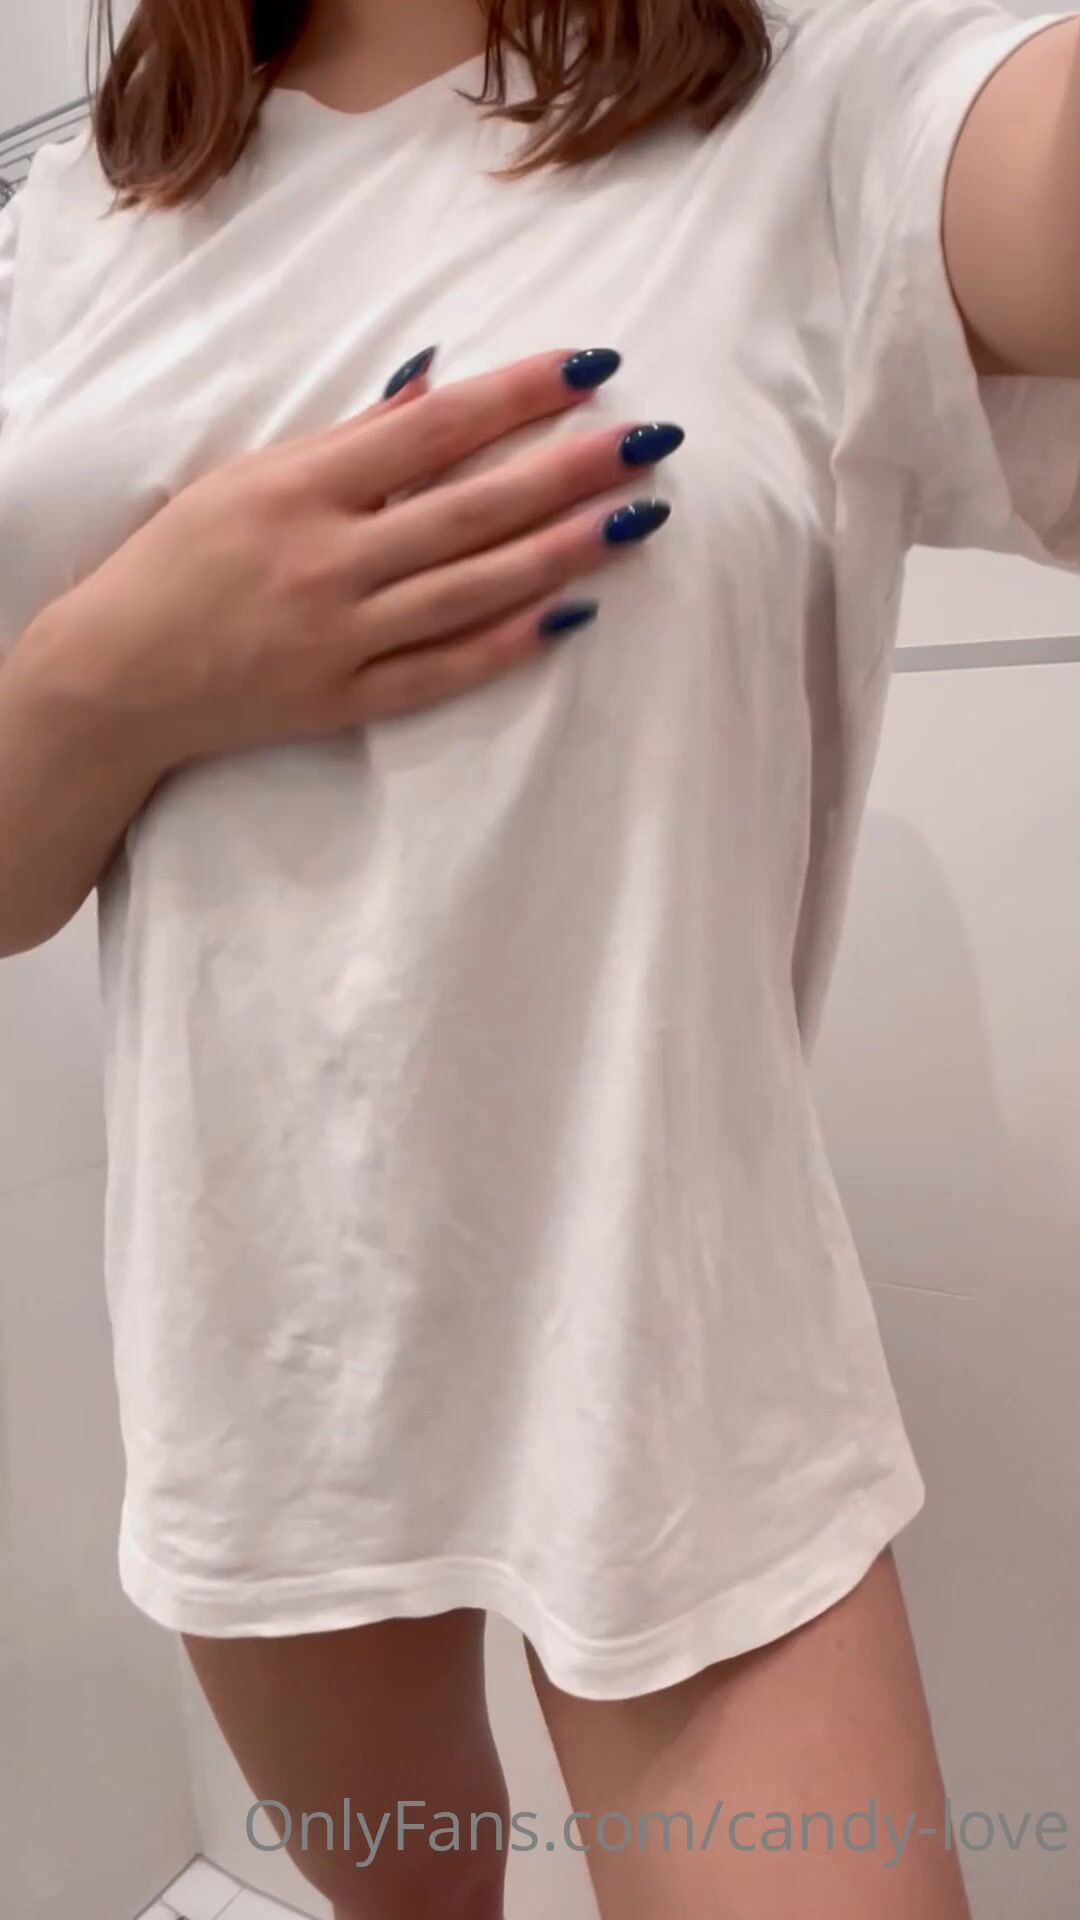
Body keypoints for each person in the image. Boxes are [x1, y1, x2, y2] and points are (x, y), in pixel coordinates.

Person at [2, 0, 1079, 1913]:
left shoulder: (826, 102)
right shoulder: (87, 208)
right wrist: (113, 676)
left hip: (681, 1377)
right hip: (260, 1360)